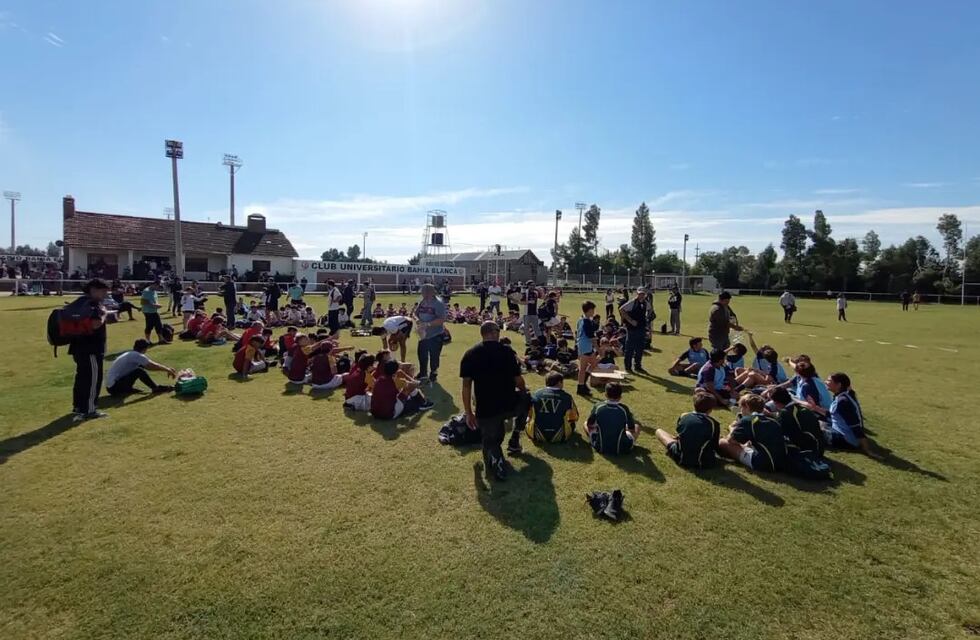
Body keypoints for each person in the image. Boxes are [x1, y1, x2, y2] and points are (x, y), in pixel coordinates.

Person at [460, 321, 527, 481]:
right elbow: (519, 380)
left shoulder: (470, 354)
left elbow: (466, 387)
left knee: (492, 439)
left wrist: (469, 413)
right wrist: (523, 393)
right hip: (509, 404)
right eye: (498, 330)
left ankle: (496, 457)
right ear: (494, 332)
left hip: (486, 409)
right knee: (528, 398)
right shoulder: (507, 352)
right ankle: (515, 436)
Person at [67, 279, 111, 420]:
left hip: (77, 346)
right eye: (103, 291)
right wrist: (104, 313)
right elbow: (95, 324)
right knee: (93, 379)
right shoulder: (93, 304)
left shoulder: (78, 302)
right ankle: (89, 410)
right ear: (93, 290)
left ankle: (79, 406)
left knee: (81, 377)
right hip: (91, 348)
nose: (105, 294)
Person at [717, 393, 788, 472]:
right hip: (781, 462)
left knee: (722, 442)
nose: (741, 411)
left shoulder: (748, 420)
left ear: (746, 407)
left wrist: (732, 428)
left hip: (763, 463)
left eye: (741, 408)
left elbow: (731, 440)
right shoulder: (773, 421)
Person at [821, 372, 879, 458]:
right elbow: (833, 414)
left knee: (813, 428)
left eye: (829, 380)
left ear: (838, 385)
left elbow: (855, 426)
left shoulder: (843, 401)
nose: (825, 382)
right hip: (840, 432)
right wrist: (815, 408)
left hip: (847, 441)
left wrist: (867, 450)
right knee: (818, 422)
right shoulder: (842, 396)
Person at [656, 393, 721, 467]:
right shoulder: (714, 424)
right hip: (703, 462)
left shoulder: (684, 416)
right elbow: (715, 445)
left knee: (659, 431)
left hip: (679, 457)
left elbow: (679, 432)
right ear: (710, 409)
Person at [585, 382, 641, 455]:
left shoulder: (598, 406)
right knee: (637, 427)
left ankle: (595, 438)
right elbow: (632, 429)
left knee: (585, 424)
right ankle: (627, 443)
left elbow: (590, 424)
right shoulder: (624, 409)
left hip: (600, 447)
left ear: (605, 394)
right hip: (622, 448)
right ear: (620, 396)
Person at [524, 372, 580, 443]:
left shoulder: (536, 394)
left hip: (535, 435)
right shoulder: (567, 397)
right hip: (560, 436)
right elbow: (575, 417)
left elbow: (529, 414)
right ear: (559, 383)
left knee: (528, 420)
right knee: (571, 423)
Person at [769, 387, 824, 457]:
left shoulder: (786, 413)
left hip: (808, 451)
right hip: (819, 448)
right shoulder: (801, 408)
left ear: (776, 402)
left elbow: (780, 432)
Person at [106, 339, 175, 395]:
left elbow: (147, 366)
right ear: (145, 348)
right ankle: (155, 388)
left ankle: (128, 389)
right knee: (139, 371)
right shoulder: (136, 355)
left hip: (111, 387)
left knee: (139, 369)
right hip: (114, 387)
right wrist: (167, 369)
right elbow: (151, 366)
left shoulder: (130, 354)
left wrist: (167, 369)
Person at [414, 283, 447, 382]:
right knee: (421, 354)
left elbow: (441, 319)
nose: (422, 294)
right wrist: (418, 321)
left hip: (435, 335)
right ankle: (423, 373)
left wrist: (427, 324)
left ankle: (433, 372)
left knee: (434, 356)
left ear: (431, 292)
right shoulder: (422, 301)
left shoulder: (439, 303)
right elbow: (415, 314)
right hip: (423, 335)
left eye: (423, 292)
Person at [618, 287, 649, 374]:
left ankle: (638, 366)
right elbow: (621, 310)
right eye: (640, 294)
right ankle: (628, 367)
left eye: (643, 294)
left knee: (640, 348)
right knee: (630, 348)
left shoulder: (646, 303)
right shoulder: (632, 302)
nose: (641, 296)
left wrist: (647, 320)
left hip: (641, 328)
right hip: (632, 329)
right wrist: (630, 321)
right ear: (637, 294)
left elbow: (649, 310)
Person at [576, 301, 598, 396]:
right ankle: (580, 387)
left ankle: (583, 383)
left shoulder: (581, 319)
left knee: (593, 364)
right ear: (589, 310)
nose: (593, 312)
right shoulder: (586, 321)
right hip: (585, 346)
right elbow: (591, 336)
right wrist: (598, 348)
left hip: (584, 345)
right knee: (583, 368)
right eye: (593, 310)